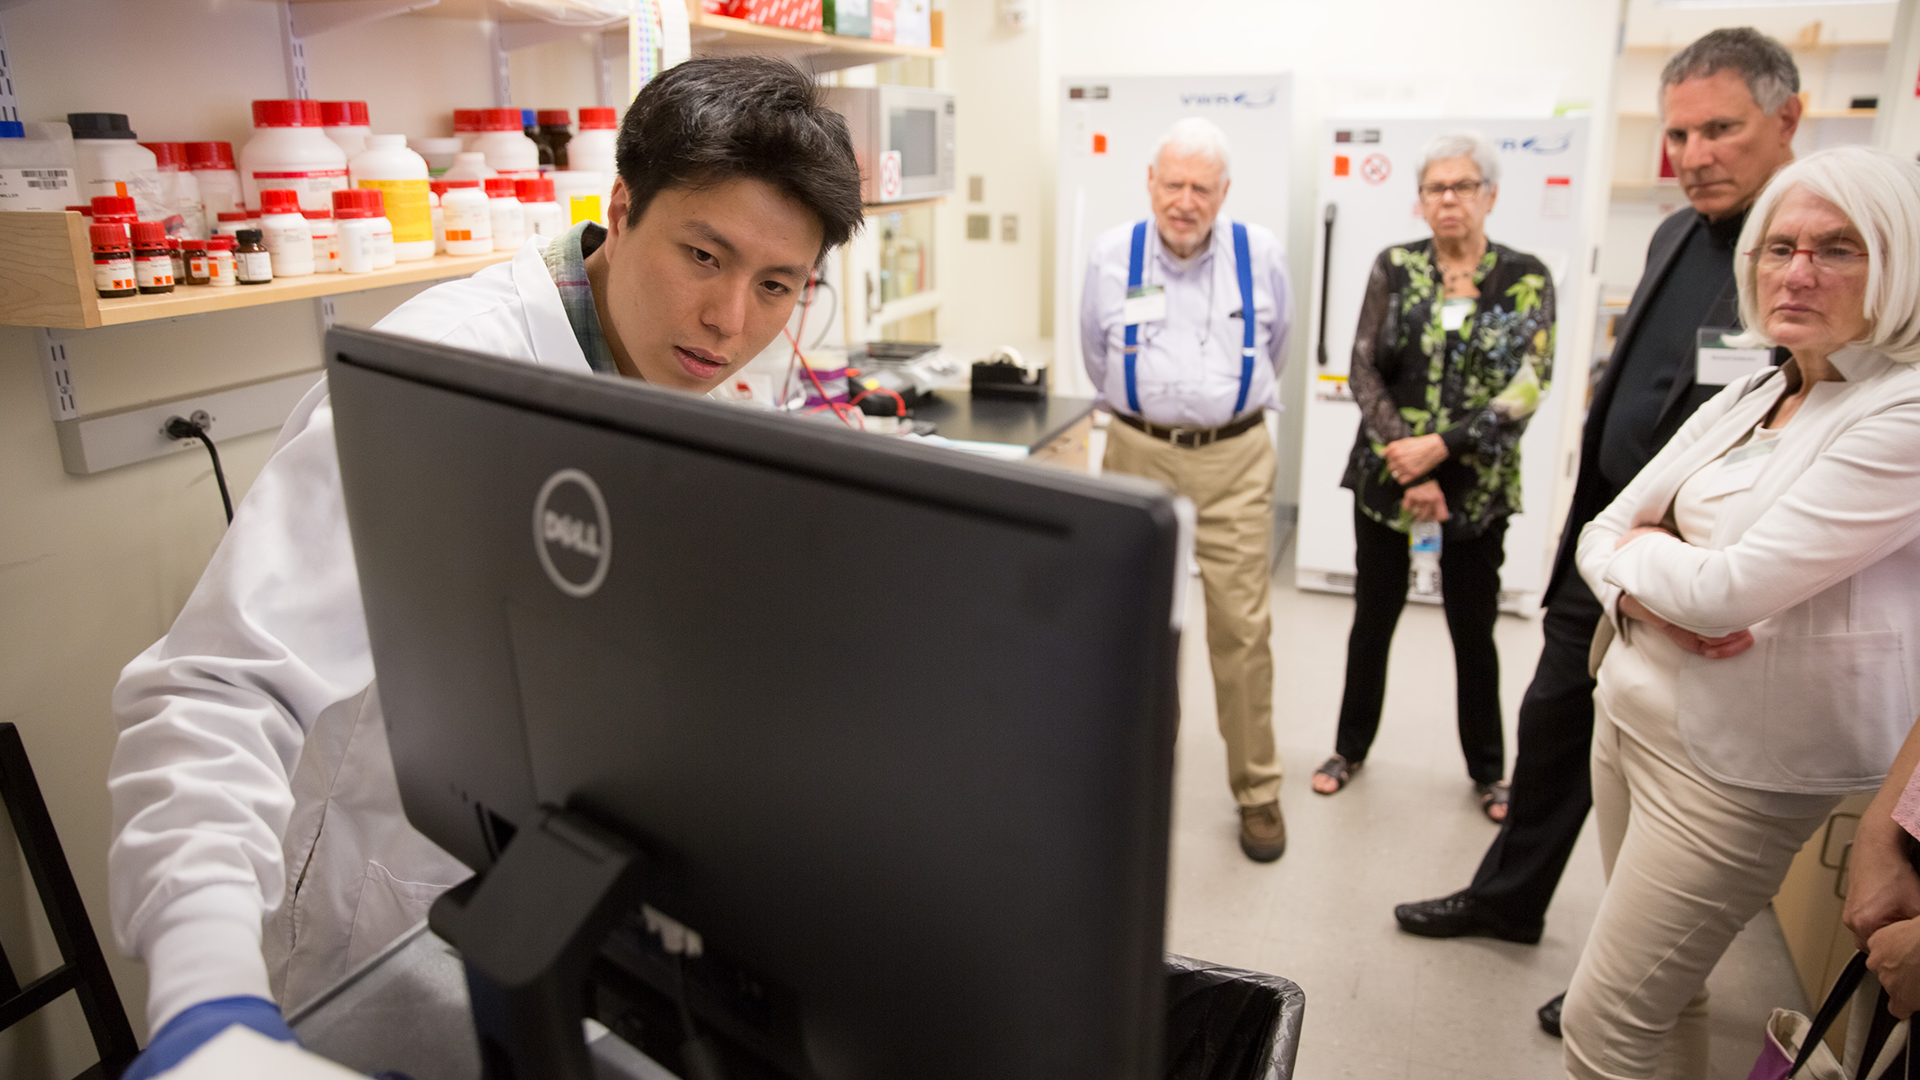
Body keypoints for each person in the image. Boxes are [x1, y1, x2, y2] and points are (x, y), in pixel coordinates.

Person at [106, 57, 864, 1079]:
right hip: (367, 937)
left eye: (777, 285)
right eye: (703, 255)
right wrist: (203, 996)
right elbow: (215, 689)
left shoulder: (682, 378)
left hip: (555, 918)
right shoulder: (444, 380)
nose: (731, 320)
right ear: (621, 205)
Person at [1393, 29, 1804, 1033]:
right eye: (1678, 134)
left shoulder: (1805, 249)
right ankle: (1507, 899)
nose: (1695, 153)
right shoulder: (1674, 235)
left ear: (1786, 122)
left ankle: (1627, 980)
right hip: (1607, 543)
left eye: (1720, 129)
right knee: (1554, 727)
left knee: (1651, 786)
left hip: (1701, 573)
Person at [1560, 144, 1920, 1080]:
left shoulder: (1904, 411)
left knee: (1603, 1030)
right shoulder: (1766, 386)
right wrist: (1642, 568)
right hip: (1631, 713)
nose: (1797, 271)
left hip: (1730, 772)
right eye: (1778, 248)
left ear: (1898, 260)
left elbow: (1730, 592)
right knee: (1667, 995)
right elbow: (1599, 528)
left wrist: (1640, 560)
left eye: (1837, 249)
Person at [1309, 131, 1554, 822]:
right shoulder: (1395, 266)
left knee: (1472, 630)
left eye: (1463, 186)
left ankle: (1488, 771)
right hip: (1387, 479)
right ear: (1420, 202)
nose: (1449, 199)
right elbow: (1362, 367)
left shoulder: (1526, 276)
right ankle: (1348, 748)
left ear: (1491, 196)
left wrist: (1439, 451)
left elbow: (1530, 386)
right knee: (1372, 621)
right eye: (1436, 188)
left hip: (1476, 487)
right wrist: (1406, 457)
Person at [1080, 117, 1293, 862]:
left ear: (1223, 192)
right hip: (1139, 456)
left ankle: (1258, 791)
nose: (1184, 199)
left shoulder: (1259, 254)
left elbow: (1278, 345)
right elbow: (1094, 353)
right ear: (1150, 182)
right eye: (1172, 182)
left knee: (1242, 630)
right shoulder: (1112, 255)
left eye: (1201, 186)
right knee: (1141, 629)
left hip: (1235, 461)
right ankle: (1138, 780)